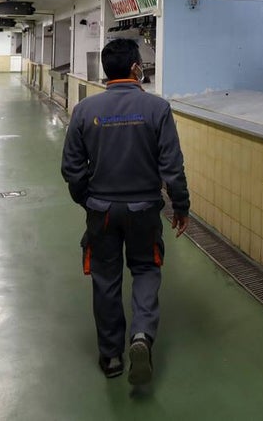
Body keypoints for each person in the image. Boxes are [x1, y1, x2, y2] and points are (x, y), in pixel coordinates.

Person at [61, 38, 190, 386]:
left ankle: (112, 356)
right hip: (144, 210)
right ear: (135, 68)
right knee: (146, 269)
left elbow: (71, 168)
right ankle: (142, 335)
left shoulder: (85, 110)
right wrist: (180, 206)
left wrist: (87, 199)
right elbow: (172, 168)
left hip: (101, 209)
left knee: (106, 278)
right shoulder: (157, 109)